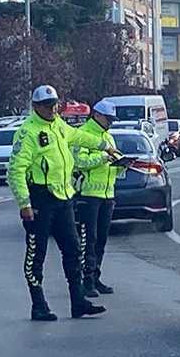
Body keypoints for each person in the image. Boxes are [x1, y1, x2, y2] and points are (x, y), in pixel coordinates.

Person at [8, 85, 121, 321]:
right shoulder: (28, 132)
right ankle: (39, 305)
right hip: (40, 198)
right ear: (36, 107)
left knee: (73, 249)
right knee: (36, 254)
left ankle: (78, 301)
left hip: (63, 197)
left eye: (55, 105)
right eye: (48, 106)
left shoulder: (59, 125)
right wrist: (24, 203)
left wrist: (105, 146)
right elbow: (16, 170)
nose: (53, 109)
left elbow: (78, 136)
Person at [72, 101, 120, 298]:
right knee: (88, 240)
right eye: (108, 119)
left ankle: (95, 276)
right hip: (88, 196)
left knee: (101, 240)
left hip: (107, 195)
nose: (110, 123)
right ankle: (86, 281)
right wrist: (102, 158)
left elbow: (111, 166)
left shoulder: (108, 136)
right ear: (97, 115)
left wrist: (121, 165)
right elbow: (79, 162)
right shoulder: (83, 134)